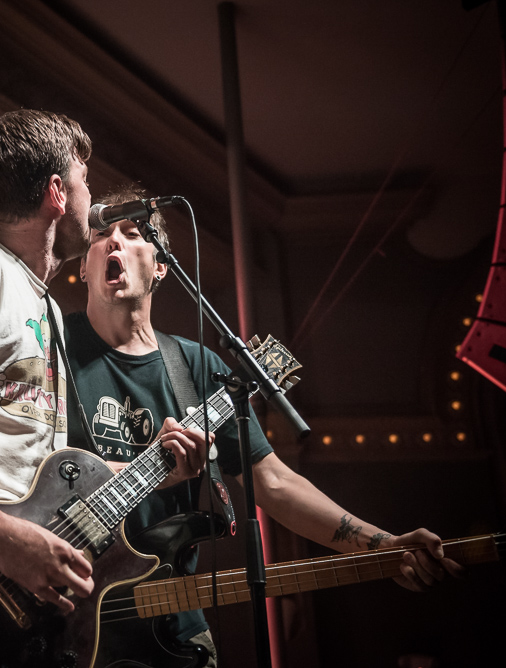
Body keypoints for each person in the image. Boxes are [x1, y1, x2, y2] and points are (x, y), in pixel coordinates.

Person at [64, 184, 465, 666]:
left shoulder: (194, 368)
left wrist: (380, 544)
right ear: (82, 265)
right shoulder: (51, 348)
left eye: (132, 233)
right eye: (100, 235)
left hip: (170, 627)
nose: (114, 241)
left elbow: (274, 482)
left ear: (162, 266)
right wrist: (153, 472)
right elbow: (16, 465)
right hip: (63, 614)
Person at [0, 111, 208, 615]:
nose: (93, 202)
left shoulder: (44, 306)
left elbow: (34, 472)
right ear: (57, 192)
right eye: (85, 182)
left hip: (15, 588)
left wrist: (160, 469)